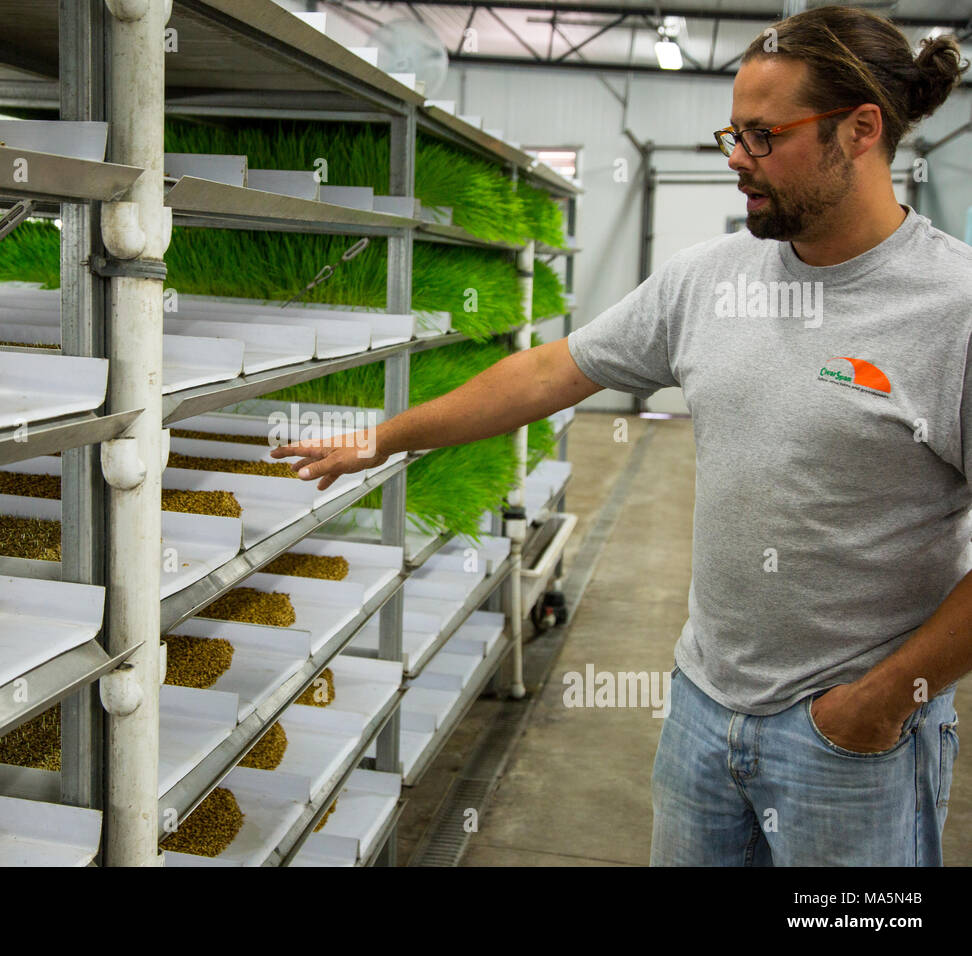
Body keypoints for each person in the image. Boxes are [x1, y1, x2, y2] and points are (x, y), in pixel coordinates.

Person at [271, 6, 972, 865]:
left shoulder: (952, 312)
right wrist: (386, 437)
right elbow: (550, 372)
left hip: (855, 743)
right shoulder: (708, 280)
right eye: (731, 135)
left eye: (762, 137)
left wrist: (878, 704)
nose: (736, 163)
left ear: (860, 130)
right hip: (704, 712)